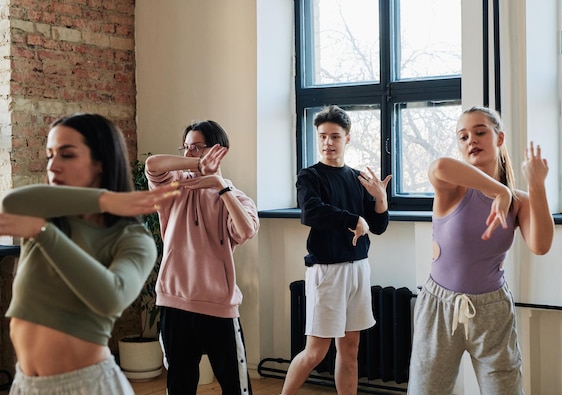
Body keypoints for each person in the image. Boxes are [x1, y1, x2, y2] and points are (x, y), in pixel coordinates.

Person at [0, 113, 180, 395]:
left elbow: (111, 298)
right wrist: (106, 199)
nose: (53, 166)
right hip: (25, 385)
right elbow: (11, 201)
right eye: (50, 156)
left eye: (67, 155)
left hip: (86, 386)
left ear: (100, 163)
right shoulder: (46, 212)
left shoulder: (132, 238)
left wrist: (44, 233)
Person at [407, 106, 554, 394]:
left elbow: (541, 245)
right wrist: (501, 191)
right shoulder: (452, 188)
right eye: (463, 137)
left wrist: (536, 186)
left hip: (493, 310)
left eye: (480, 132)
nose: (471, 140)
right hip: (440, 307)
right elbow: (439, 167)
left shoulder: (519, 201)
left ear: (499, 138)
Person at [280, 105, 392, 395]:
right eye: (322, 136)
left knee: (350, 348)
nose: (328, 142)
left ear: (347, 139)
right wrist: (352, 219)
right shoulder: (310, 176)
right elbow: (312, 212)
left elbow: (376, 226)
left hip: (358, 268)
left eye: (335, 136)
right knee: (316, 351)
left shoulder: (357, 178)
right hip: (327, 271)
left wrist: (380, 200)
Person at [145, 120, 259, 395]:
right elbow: (152, 164)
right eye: (186, 147)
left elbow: (245, 231)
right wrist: (198, 165)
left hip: (218, 306)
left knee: (236, 388)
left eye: (196, 148)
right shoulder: (174, 187)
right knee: (180, 387)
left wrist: (220, 186)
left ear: (219, 151)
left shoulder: (238, 198)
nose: (188, 154)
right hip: (175, 304)